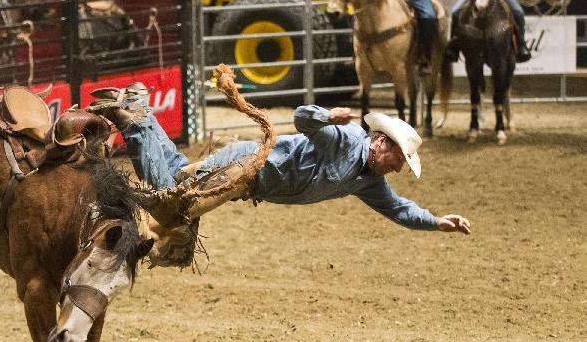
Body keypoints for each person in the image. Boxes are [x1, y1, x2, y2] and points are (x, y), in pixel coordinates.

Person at [103, 86, 470, 264]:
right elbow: (300, 118)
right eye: (397, 159)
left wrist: (436, 222)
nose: (396, 168)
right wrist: (327, 116)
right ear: (380, 142)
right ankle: (135, 114)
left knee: (174, 175)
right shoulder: (344, 139)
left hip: (247, 178)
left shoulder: (368, 179)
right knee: (170, 199)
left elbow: (399, 209)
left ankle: (139, 111)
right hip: (244, 166)